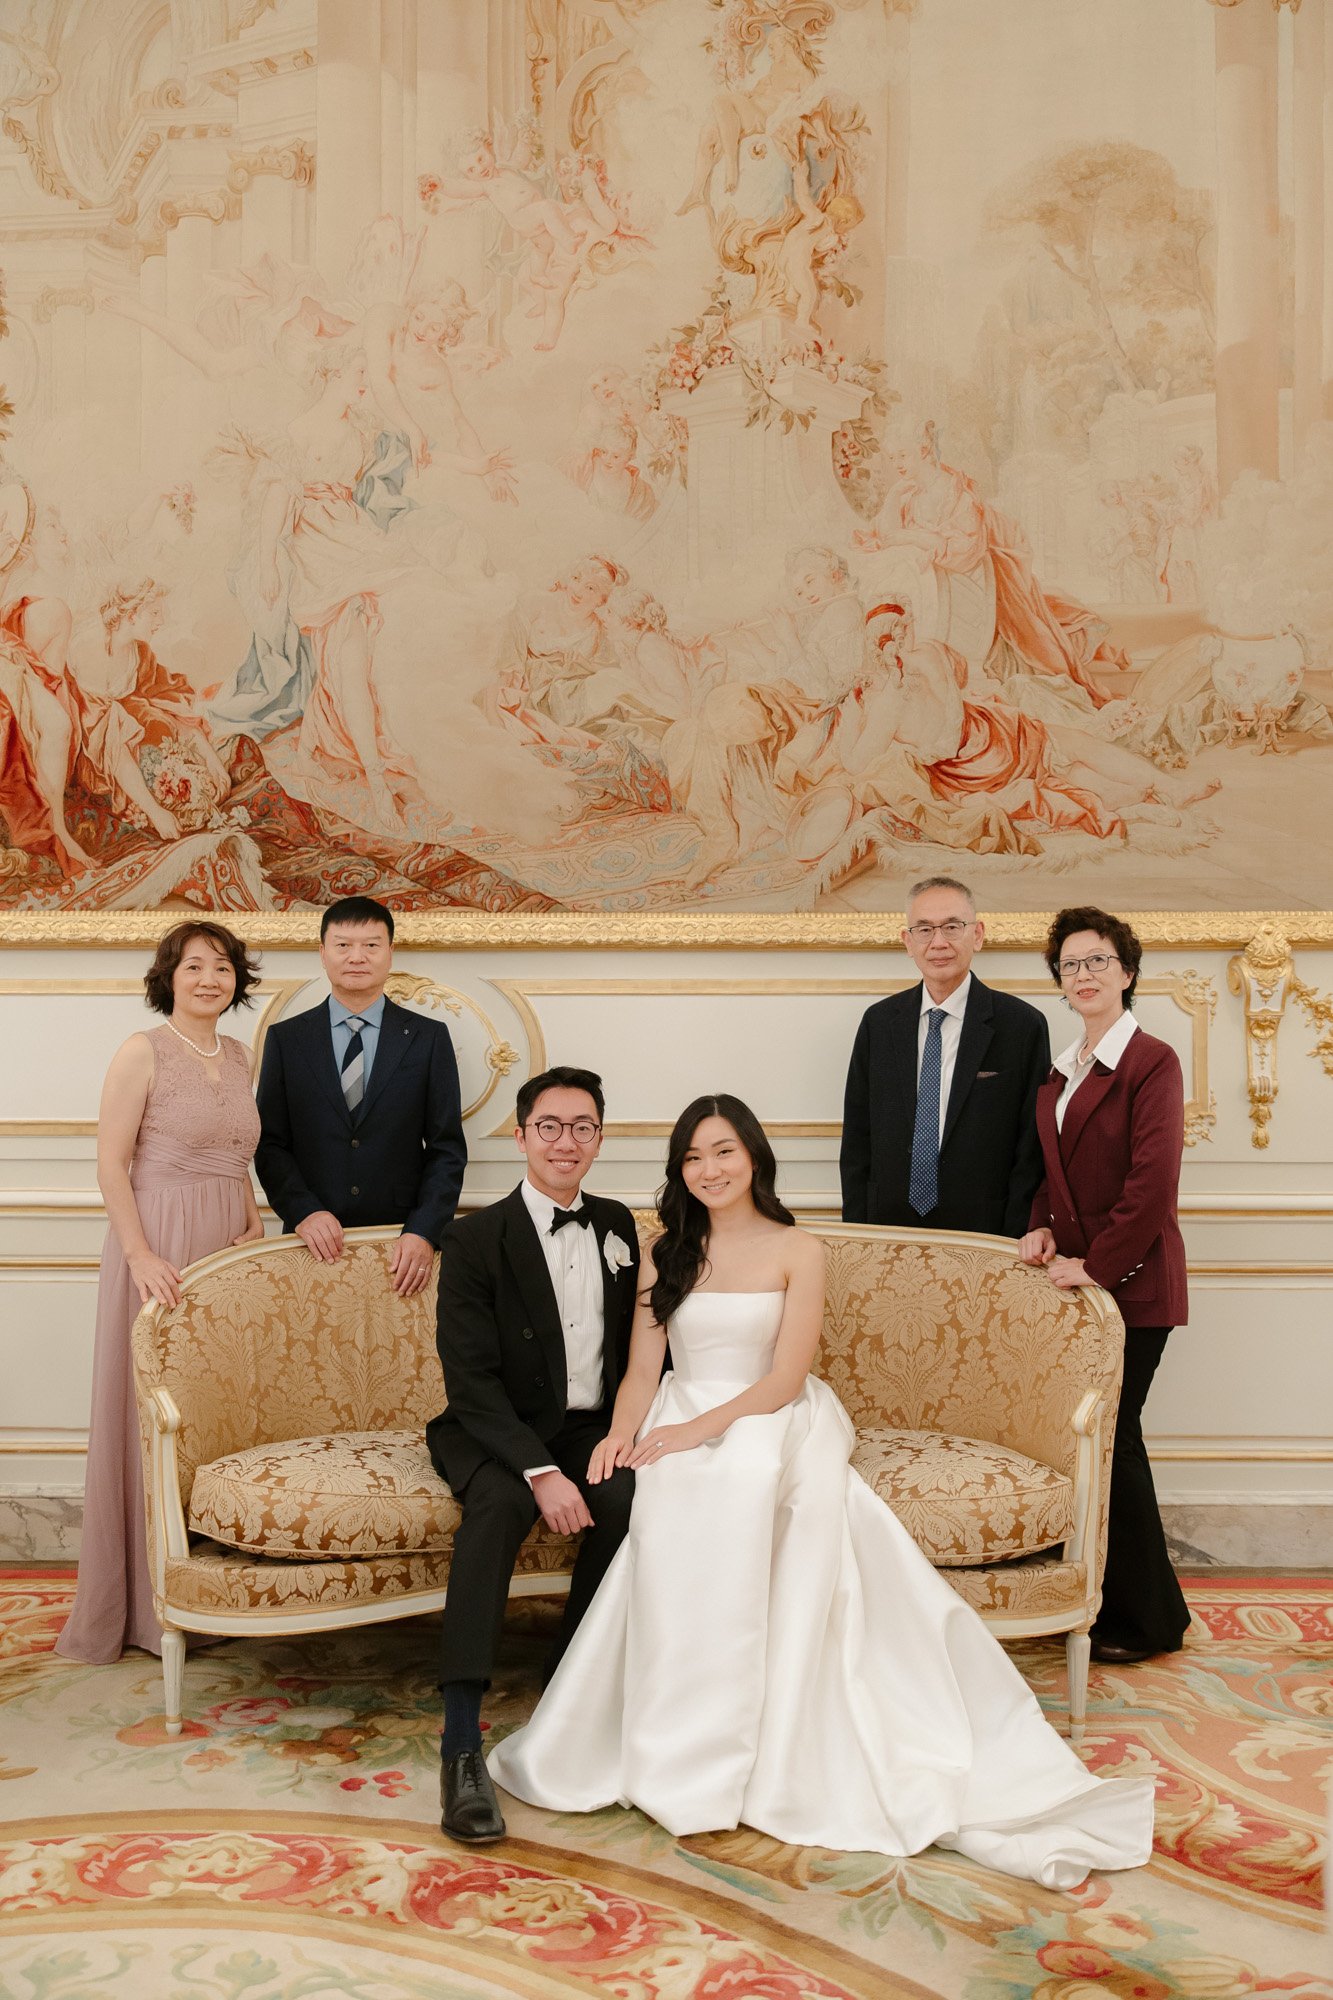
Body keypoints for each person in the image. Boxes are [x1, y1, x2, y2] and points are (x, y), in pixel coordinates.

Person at [489, 1095, 1156, 1887]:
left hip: (769, 1411)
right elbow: (641, 1372)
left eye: (724, 1151)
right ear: (679, 1170)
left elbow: (784, 1376)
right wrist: (623, 1436)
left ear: (754, 1158)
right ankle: (677, 1734)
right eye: (693, 1157)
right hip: (682, 1407)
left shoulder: (797, 1249)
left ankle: (766, 1732)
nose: (709, 1169)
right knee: (659, 1493)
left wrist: (703, 1431)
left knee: (747, 1478)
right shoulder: (663, 1250)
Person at [427, 1066, 640, 1844]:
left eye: (581, 1126)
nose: (565, 1141)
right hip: (491, 1425)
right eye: (548, 1126)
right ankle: (458, 1743)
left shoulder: (618, 1224)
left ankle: (565, 1693)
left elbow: (639, 1354)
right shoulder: (474, 1236)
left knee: (630, 1499)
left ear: (599, 1139)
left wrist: (627, 1435)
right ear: (519, 1136)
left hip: (584, 1427)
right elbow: (470, 1379)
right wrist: (539, 1470)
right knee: (500, 1506)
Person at [56, 923, 264, 1663]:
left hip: (225, 1251)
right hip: (160, 1246)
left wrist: (252, 1221)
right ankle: (142, 1608)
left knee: (212, 1413)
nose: (210, 978)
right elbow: (112, 1163)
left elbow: (236, 1159)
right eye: (194, 966)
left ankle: (207, 1592)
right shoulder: (140, 1051)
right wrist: (140, 1252)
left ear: (239, 979)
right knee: (151, 1415)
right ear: (168, 977)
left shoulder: (240, 1055)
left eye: (223, 967)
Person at [1020, 908, 1191, 1665]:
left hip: (1132, 1286)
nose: (1082, 974)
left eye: (1097, 961)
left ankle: (1151, 1622)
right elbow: (1054, 1173)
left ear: (1126, 970)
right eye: (1069, 964)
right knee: (1095, 1446)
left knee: (1113, 1445)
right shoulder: (1063, 1067)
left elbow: (1151, 1187)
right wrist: (1041, 1225)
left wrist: (1094, 1267)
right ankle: (1104, 1602)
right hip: (1077, 1289)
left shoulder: (1151, 1061)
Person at [254, 896, 465, 1295]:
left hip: (401, 1243)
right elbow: (270, 1144)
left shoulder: (428, 1038)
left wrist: (423, 1230)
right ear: (322, 953)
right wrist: (303, 1211)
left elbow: (446, 1148)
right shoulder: (287, 1038)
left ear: (389, 953)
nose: (357, 957)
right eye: (343, 945)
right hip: (310, 1241)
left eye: (371, 945)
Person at [840, 875, 1050, 1235]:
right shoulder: (878, 1023)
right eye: (924, 929)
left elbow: (1030, 1147)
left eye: (952, 927)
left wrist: (1017, 1234)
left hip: (985, 1231)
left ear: (978, 934)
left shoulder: (1022, 1026)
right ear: (908, 942)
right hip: (887, 1227)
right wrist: (859, 1233)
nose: (938, 942)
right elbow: (858, 1139)